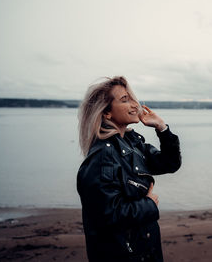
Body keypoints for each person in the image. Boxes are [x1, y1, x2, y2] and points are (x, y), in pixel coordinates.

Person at [77, 76, 181, 262]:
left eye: (133, 98)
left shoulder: (133, 144)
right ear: (106, 113)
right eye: (125, 100)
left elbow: (170, 163)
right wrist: (149, 204)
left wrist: (162, 128)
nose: (135, 105)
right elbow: (107, 216)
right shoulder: (102, 156)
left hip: (144, 249)